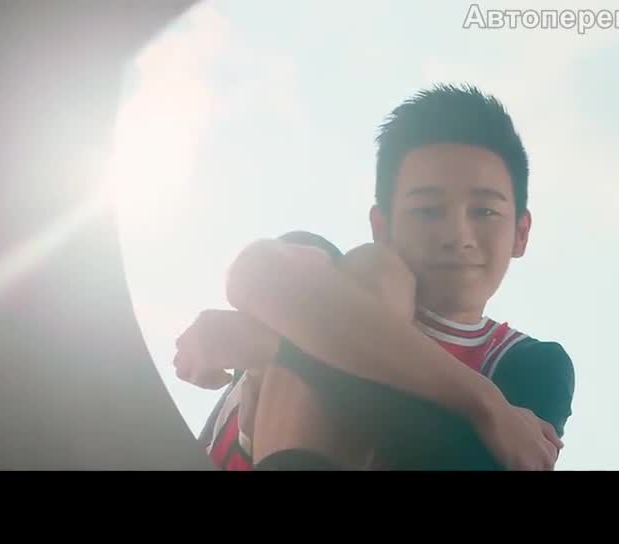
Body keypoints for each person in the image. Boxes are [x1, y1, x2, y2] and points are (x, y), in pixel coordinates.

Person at [175, 84, 575, 470]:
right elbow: (251, 273)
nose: (457, 236)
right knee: (376, 271)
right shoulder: (318, 277)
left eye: (485, 212)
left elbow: (460, 461)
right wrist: (484, 403)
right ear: (381, 225)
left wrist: (275, 346)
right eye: (428, 211)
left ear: (520, 233)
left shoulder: (529, 362)